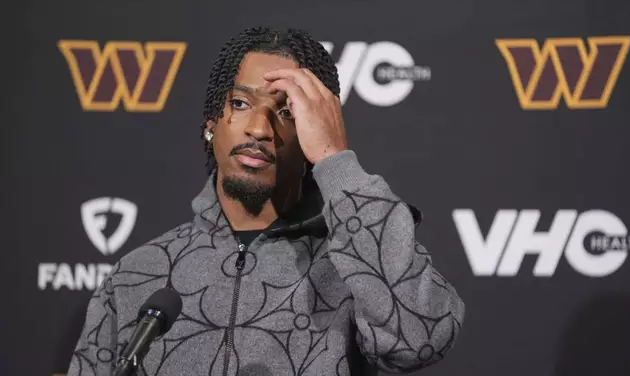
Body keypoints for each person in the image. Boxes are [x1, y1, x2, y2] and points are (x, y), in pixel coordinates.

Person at [67, 26, 465, 376]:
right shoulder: (137, 275)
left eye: (287, 112)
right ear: (211, 126)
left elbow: (421, 338)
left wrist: (334, 159)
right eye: (240, 104)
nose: (259, 127)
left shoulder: (353, 266)